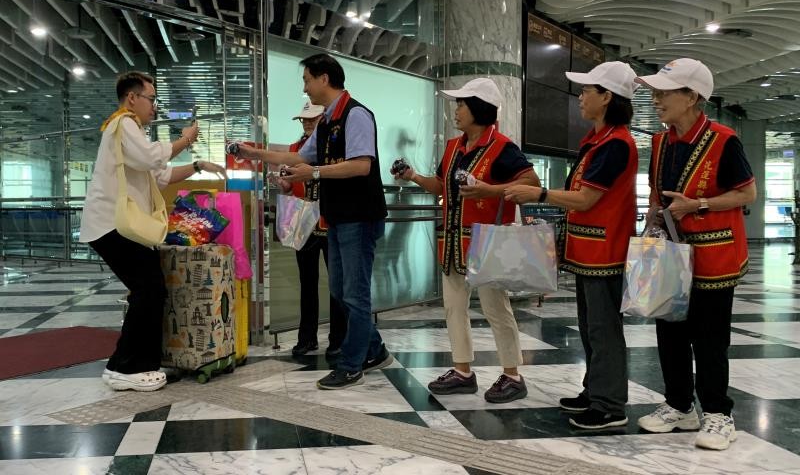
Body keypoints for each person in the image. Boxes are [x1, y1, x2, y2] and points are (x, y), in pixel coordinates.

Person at [238, 53, 391, 389]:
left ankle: (352, 363)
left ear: (325, 78)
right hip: (337, 218)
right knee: (340, 289)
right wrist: (255, 155)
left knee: (355, 293)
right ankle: (375, 349)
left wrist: (316, 172)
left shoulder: (357, 115)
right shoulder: (325, 123)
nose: (304, 88)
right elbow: (297, 157)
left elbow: (362, 164)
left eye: (307, 79)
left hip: (359, 217)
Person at [505, 62, 639, 428]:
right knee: (589, 326)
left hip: (605, 253)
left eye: (586, 90)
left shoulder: (616, 145)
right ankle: (595, 390)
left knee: (603, 329)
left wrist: (539, 193)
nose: (580, 97)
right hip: (587, 251)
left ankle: (610, 404)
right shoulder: (596, 142)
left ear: (607, 96)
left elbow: (585, 200)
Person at [633, 58, 756, 450]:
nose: (655, 99)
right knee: (669, 331)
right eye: (655, 92)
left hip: (714, 256)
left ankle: (719, 415)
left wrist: (698, 204)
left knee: (709, 338)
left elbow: (747, 194)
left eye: (664, 92)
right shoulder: (659, 142)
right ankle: (679, 405)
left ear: (692, 97)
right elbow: (657, 194)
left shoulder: (723, 139)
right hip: (669, 253)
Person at [394, 78, 539, 403]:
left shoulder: (503, 147)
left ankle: (513, 375)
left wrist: (488, 190)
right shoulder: (453, 147)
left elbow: (531, 182)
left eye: (461, 104)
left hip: (488, 245)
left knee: (495, 308)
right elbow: (442, 186)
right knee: (453, 308)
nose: (455, 110)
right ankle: (463, 371)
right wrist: (413, 176)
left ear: (478, 108)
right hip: (453, 244)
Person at [79, 71, 226, 392]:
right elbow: (150, 160)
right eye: (151, 99)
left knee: (148, 290)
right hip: (112, 225)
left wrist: (198, 165)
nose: (154, 107)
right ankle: (131, 367)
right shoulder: (124, 123)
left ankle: (124, 363)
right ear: (132, 98)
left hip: (116, 226)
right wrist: (186, 139)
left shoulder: (128, 131)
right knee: (149, 290)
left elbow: (161, 176)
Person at [276, 101, 347, 359]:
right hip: (303, 223)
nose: (306, 123)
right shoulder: (296, 150)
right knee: (307, 283)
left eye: (312, 119)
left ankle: (338, 338)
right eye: (303, 120)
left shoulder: (333, 148)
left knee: (336, 284)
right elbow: (292, 188)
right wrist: (284, 186)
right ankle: (306, 337)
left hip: (330, 222)